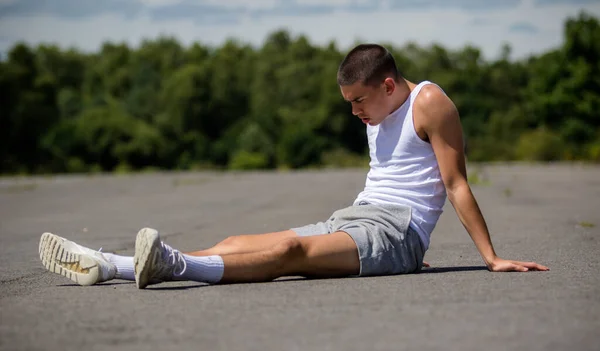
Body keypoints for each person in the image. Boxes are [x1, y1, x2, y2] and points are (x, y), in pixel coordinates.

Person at [38, 44, 549, 289]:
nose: (355, 112)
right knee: (238, 243)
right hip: (359, 218)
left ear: (388, 86)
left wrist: (490, 257)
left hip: (397, 233)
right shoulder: (378, 108)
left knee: (289, 252)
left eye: (358, 101)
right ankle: (110, 265)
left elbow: (455, 183)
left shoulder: (431, 104)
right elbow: (386, 175)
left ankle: (171, 266)